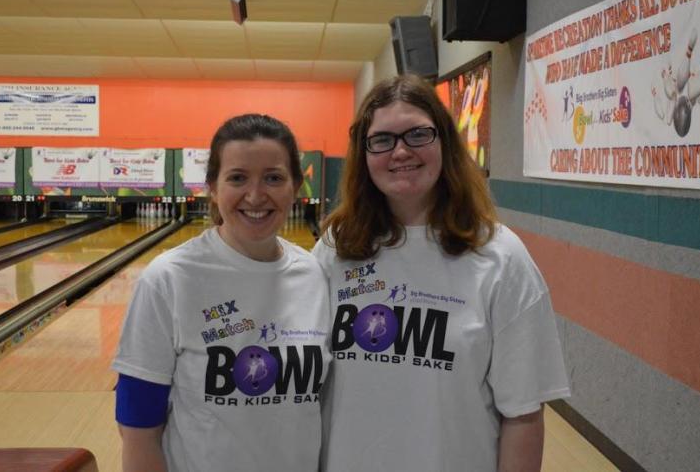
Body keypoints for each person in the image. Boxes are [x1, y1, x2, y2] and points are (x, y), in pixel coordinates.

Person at [312, 74, 571, 472]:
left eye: (417, 134)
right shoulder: (334, 249)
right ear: (364, 155)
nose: (400, 151)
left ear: (445, 143)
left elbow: (522, 414)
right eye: (382, 140)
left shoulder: (501, 258)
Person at [113, 114, 331, 471]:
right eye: (238, 178)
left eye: (274, 178)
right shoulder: (169, 279)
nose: (256, 195)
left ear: (295, 186)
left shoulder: (314, 275)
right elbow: (138, 428)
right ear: (213, 187)